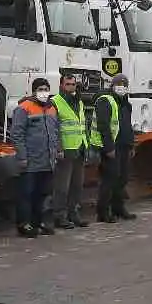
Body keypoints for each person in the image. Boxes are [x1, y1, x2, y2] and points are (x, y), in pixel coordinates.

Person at [10, 76, 60, 236]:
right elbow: (17, 134)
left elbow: (55, 131)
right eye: (40, 89)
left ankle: (38, 223)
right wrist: (22, 156)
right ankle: (24, 224)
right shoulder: (23, 108)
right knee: (26, 194)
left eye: (46, 89)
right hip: (30, 161)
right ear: (34, 91)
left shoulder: (52, 108)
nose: (44, 92)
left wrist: (58, 150)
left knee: (42, 193)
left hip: (47, 161)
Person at [93, 75, 138, 220]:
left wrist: (131, 145)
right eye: (118, 84)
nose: (122, 87)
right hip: (112, 147)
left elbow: (127, 126)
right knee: (109, 179)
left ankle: (118, 208)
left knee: (122, 178)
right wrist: (109, 148)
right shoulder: (105, 100)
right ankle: (103, 212)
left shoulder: (126, 103)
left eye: (124, 85)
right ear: (112, 85)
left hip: (124, 145)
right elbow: (103, 126)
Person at [50, 73, 91, 229]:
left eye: (73, 84)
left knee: (77, 185)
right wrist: (59, 148)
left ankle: (74, 214)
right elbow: (54, 128)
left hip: (79, 149)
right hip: (65, 151)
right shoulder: (55, 102)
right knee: (62, 187)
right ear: (61, 85)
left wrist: (85, 145)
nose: (71, 87)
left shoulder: (78, 102)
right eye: (68, 84)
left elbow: (82, 124)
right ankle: (59, 216)